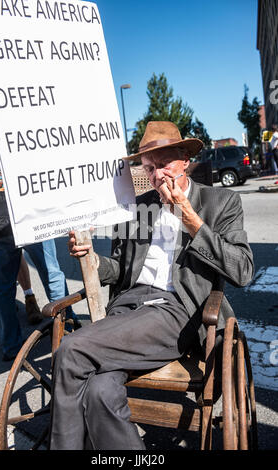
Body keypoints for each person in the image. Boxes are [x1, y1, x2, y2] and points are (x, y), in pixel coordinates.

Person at [48, 121, 254, 450]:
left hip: (175, 312)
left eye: (165, 164)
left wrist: (189, 218)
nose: (158, 174)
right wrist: (90, 259)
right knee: (101, 391)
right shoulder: (138, 206)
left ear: (185, 159)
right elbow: (118, 268)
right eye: (149, 167)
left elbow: (242, 270)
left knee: (71, 350)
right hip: (127, 311)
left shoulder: (221, 202)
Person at [0, 114, 79, 361]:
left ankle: (12, 347)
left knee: (1, 289)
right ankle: (68, 333)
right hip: (32, 213)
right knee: (52, 273)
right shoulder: (27, 122)